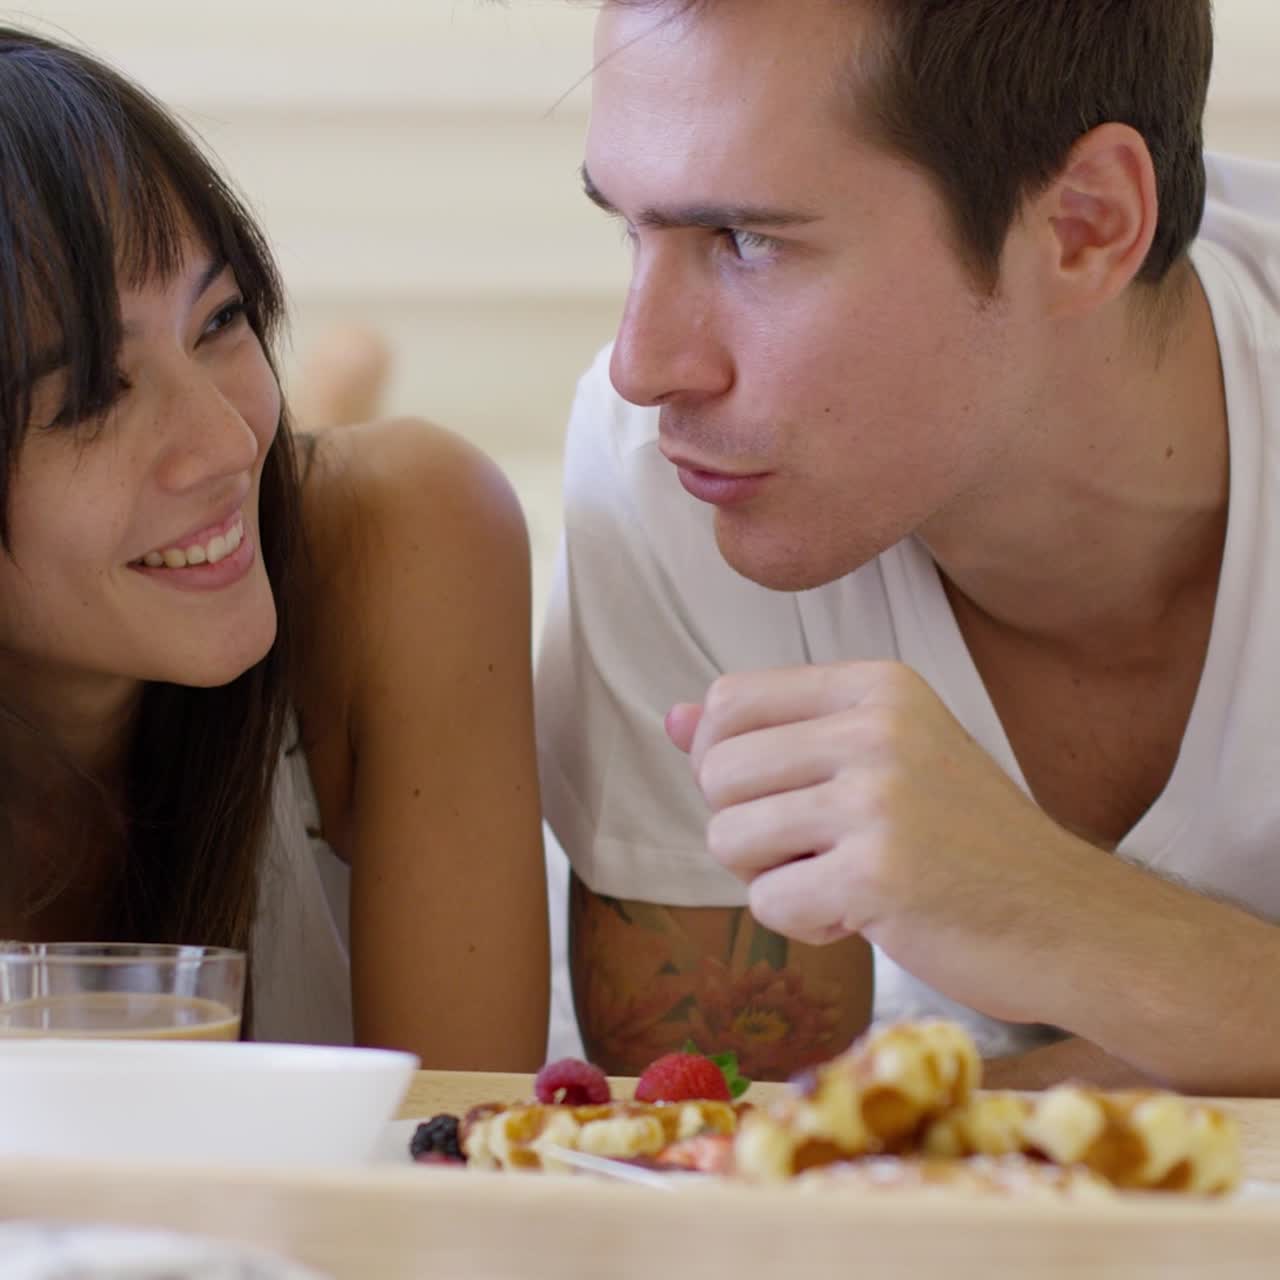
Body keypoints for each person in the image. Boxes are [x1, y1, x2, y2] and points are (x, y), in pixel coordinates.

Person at [536, 0, 1280, 1091]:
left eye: (745, 240)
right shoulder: (666, 469)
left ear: (1081, 224)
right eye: (630, 230)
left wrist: (1054, 911)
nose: (646, 367)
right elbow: (723, 1149)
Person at [0, 26, 550, 1068]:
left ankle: (343, 372)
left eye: (221, 318)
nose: (222, 434)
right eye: (87, 395)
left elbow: (452, 1156)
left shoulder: (412, 528)